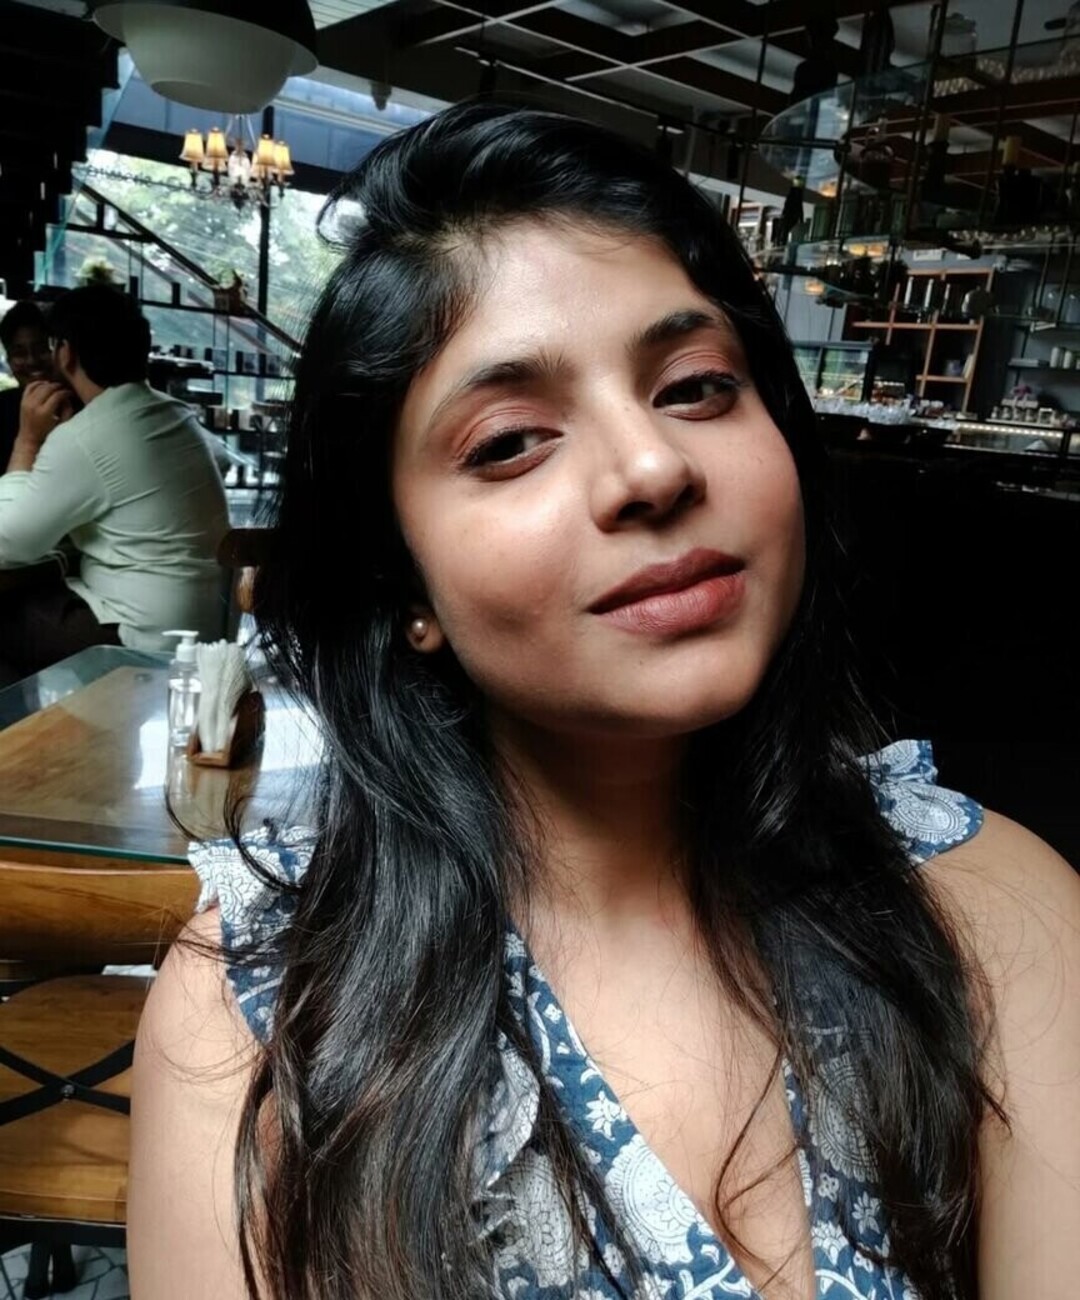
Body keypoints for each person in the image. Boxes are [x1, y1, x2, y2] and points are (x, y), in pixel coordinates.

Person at [129, 104, 1079, 1300]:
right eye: (510, 441)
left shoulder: (993, 911)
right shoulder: (265, 1009)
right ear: (401, 584)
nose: (653, 467)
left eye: (697, 386)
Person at [0, 286, 229, 683]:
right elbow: (220, 458)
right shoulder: (174, 413)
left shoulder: (86, 434)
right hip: (204, 628)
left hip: (140, 638)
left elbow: (8, 545)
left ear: (66, 353)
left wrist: (28, 441)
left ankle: (31, 723)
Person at [0, 299, 56, 468]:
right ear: (9, 361)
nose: (32, 361)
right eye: (20, 353)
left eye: (42, 349)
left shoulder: (84, 406)